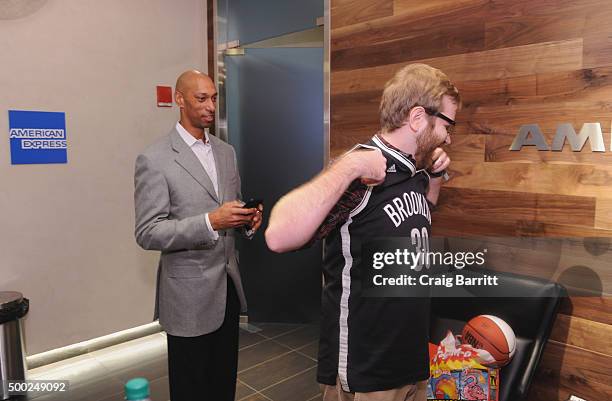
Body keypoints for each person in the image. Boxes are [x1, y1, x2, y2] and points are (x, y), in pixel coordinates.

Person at [265, 63, 460, 401]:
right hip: (368, 369)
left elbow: (420, 215)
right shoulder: (362, 171)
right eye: (447, 123)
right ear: (417, 119)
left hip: (410, 359)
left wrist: (436, 178)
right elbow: (278, 235)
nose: (448, 135)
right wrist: (351, 164)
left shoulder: (413, 168)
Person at [134, 70, 262, 401]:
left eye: (213, 98)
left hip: (228, 289)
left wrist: (246, 220)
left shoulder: (226, 152)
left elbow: (228, 210)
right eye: (200, 98)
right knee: (192, 388)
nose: (209, 106)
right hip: (187, 299)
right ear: (179, 100)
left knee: (223, 385)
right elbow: (149, 231)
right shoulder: (155, 158)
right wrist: (210, 222)